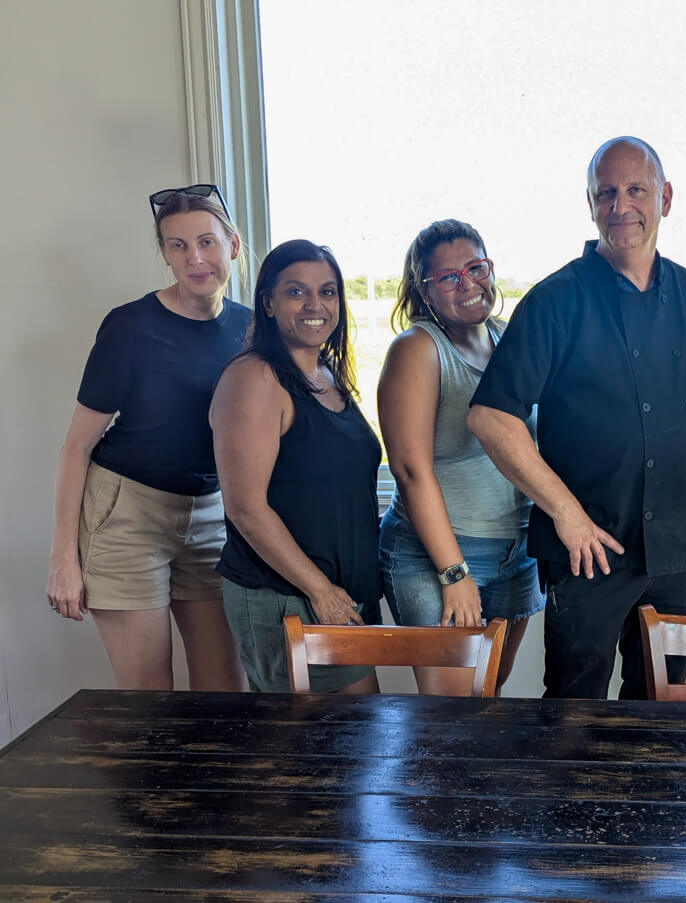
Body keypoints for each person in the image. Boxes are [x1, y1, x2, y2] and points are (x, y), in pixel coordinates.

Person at [467, 136, 686, 700]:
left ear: (664, 197)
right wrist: (564, 512)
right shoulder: (555, 300)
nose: (621, 206)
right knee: (573, 707)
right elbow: (492, 417)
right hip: (590, 549)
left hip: (678, 546)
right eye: (605, 193)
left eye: (635, 190)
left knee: (662, 703)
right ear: (590, 204)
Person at [45, 184, 250, 691]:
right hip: (125, 515)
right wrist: (63, 561)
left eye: (206, 242)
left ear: (233, 245)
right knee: (148, 697)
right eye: (177, 245)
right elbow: (77, 448)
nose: (194, 258)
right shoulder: (130, 327)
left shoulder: (251, 330)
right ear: (164, 253)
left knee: (225, 691)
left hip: (212, 516)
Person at [377, 220, 543, 695]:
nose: (468, 283)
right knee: (449, 714)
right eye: (448, 277)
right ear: (424, 292)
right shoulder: (418, 349)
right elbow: (409, 471)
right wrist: (454, 573)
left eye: (476, 267)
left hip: (518, 550)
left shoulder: (510, 338)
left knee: (487, 696)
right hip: (440, 555)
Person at [212, 239, 382, 694]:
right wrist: (320, 590)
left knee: (359, 745)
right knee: (306, 753)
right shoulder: (255, 376)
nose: (315, 305)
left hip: (341, 598)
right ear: (267, 302)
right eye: (296, 292)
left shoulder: (327, 372)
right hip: (288, 597)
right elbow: (245, 507)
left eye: (328, 292)